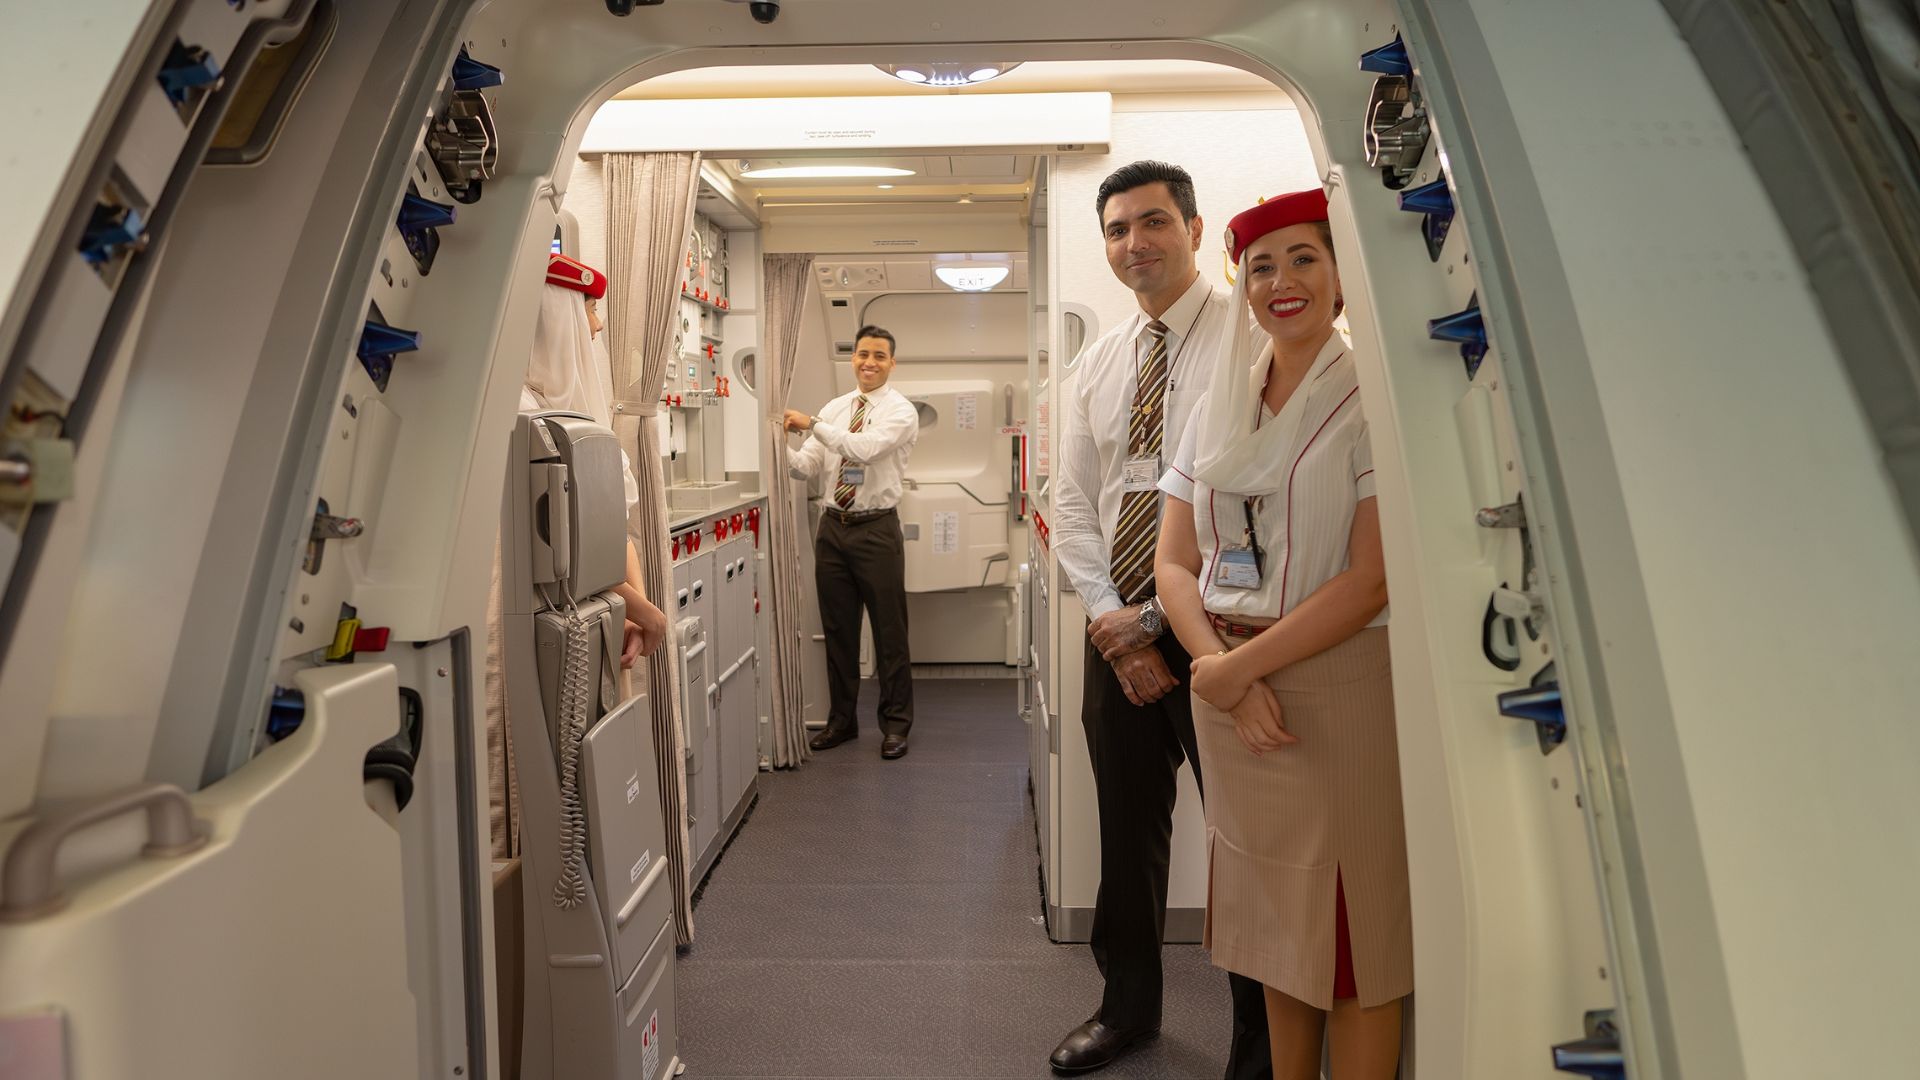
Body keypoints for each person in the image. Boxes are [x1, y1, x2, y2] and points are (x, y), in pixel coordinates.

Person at [1154, 189, 1412, 1080]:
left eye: (1303, 258)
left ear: (1342, 277)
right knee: (1274, 938)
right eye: (1261, 266)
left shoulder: (1374, 398)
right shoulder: (1219, 404)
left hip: (1335, 689)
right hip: (1231, 680)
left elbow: (1371, 577)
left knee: (1354, 942)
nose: (1281, 281)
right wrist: (1219, 666)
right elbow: (1175, 563)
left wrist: (1233, 671)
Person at [1048, 160, 1272, 1078]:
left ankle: (1261, 1045)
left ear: (1191, 225)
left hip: (1226, 627)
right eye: (1115, 230)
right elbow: (1074, 502)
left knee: (1249, 841)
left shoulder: (1251, 340)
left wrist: (1156, 621)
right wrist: (1112, 619)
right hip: (1115, 633)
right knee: (1126, 822)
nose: (1133, 244)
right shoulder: (1099, 361)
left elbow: (1256, 501)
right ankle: (1127, 1008)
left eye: (1151, 223)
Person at [487, 252, 669, 859]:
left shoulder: (564, 412)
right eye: (588, 309)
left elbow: (611, 527)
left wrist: (633, 611)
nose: (596, 326)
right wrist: (648, 614)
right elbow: (563, 551)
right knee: (554, 789)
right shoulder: (516, 419)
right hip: (548, 618)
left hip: (598, 612)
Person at [784, 325, 920, 760]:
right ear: (853, 358)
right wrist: (771, 442)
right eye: (863, 354)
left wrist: (812, 423)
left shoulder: (900, 411)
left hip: (876, 530)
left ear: (892, 363)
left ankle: (896, 726)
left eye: (879, 356)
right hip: (833, 529)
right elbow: (806, 466)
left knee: (889, 631)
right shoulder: (837, 408)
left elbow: (860, 449)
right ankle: (842, 722)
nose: (869, 362)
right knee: (839, 630)